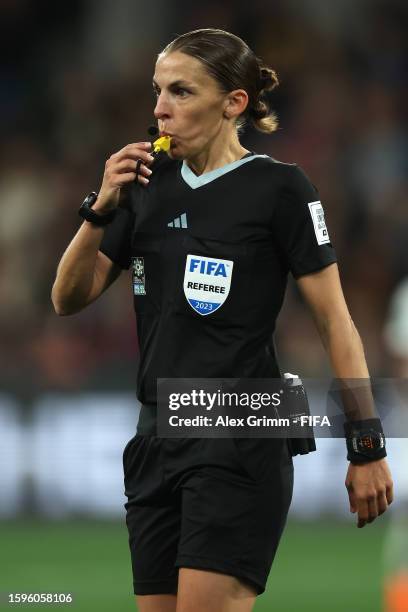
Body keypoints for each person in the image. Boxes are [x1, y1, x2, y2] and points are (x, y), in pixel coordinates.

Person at [51, 28, 394, 612]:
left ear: (234, 102)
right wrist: (98, 207)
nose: (160, 108)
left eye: (181, 92)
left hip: (239, 432)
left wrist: (366, 445)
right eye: (158, 91)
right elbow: (67, 297)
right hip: (156, 436)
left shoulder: (280, 189)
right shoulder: (142, 186)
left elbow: (336, 322)